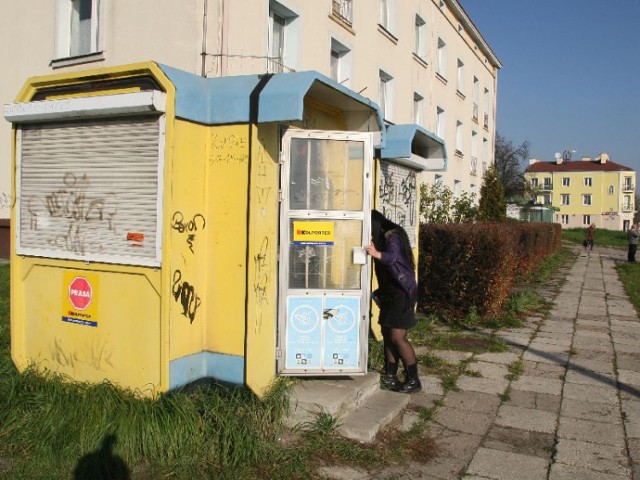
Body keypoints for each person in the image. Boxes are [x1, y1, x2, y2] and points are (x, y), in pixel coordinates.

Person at [365, 210, 421, 394]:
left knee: (398, 337)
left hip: (401, 294)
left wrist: (376, 253)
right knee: (387, 335)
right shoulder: (381, 237)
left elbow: (392, 257)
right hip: (388, 295)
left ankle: (413, 380)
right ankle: (390, 375)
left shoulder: (393, 235)